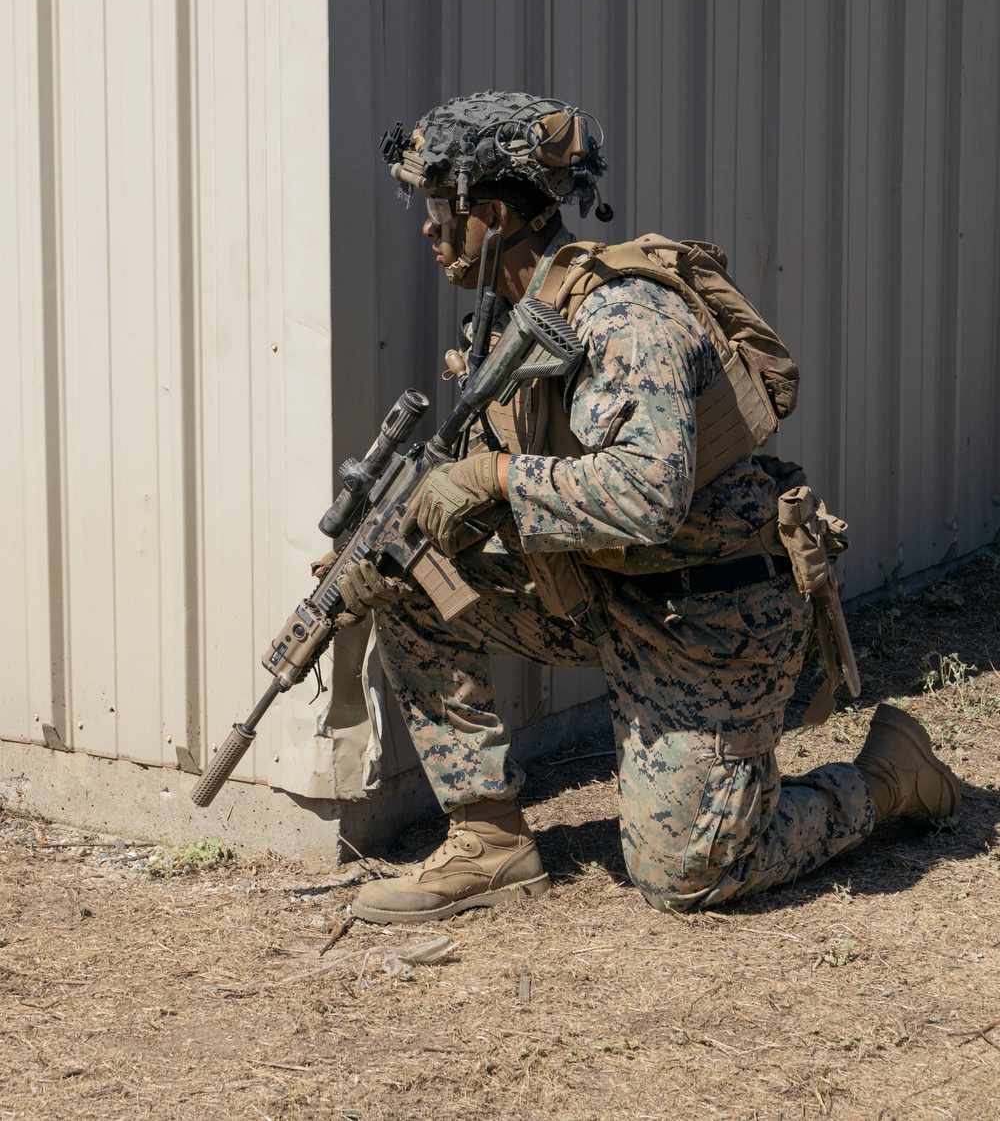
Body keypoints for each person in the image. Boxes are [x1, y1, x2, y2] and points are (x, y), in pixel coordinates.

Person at [336, 91, 960, 926]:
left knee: (685, 878)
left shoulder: (626, 318)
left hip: (713, 615)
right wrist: (395, 543)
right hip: (610, 592)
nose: (426, 227)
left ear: (490, 214)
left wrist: (489, 478)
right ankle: (488, 840)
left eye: (439, 208)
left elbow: (646, 495)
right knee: (407, 578)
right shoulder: (520, 315)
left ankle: (887, 780)